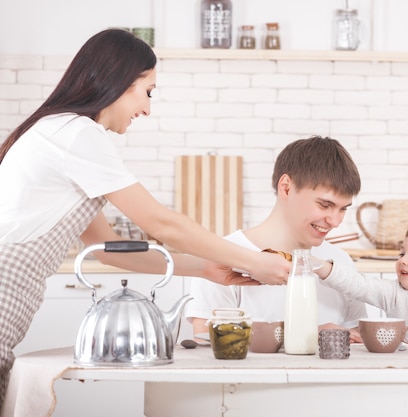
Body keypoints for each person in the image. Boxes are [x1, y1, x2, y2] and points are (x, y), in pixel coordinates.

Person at [0, 29, 291, 404]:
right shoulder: (79, 135)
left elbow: (108, 250)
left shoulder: (62, 133)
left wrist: (205, 268)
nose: (148, 109)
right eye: (148, 92)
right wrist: (252, 260)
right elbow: (162, 224)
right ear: (118, 80)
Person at [186, 136, 368, 342]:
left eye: (343, 209)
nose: (335, 221)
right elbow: (206, 343)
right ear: (286, 187)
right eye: (324, 205)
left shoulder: (338, 262)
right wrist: (305, 335)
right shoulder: (225, 257)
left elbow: (358, 340)